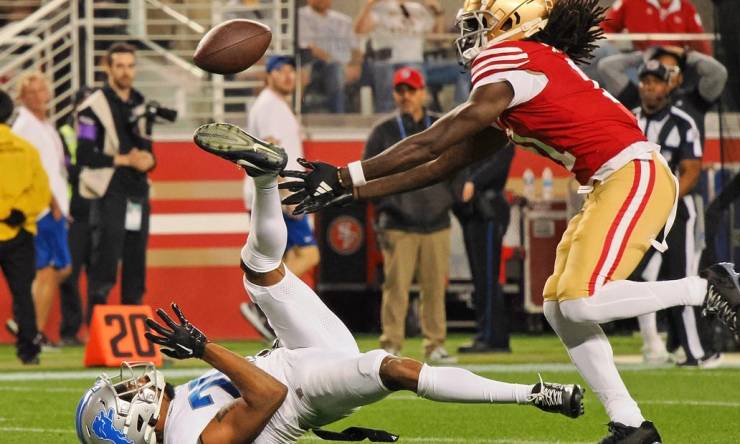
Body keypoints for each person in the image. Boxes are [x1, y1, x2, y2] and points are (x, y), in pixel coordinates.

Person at [273, 1, 740, 442]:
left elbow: (432, 142)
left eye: (480, 24)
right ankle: (630, 423)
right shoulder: (521, 77)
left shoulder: (510, 59)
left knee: (582, 302)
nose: (471, 35)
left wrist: (343, 173)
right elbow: (442, 164)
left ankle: (704, 288)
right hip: (612, 180)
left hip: (633, 173)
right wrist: (350, 192)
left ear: (513, 23)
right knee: (559, 309)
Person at [74, 131, 586, 443]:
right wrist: (204, 346)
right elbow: (269, 395)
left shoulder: (180, 409)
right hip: (301, 389)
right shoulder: (188, 439)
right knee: (389, 366)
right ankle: (533, 394)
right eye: (121, 395)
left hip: (298, 355)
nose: (132, 384)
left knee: (257, 268)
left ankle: (266, 177)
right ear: (128, 425)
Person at [630, 60, 719, 367]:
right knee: (640, 277)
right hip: (641, 210)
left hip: (678, 210)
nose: (649, 87)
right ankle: (653, 344)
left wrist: (664, 199)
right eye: (644, 81)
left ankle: (698, 352)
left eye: (655, 81)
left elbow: (691, 170)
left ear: (668, 85)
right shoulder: (629, 120)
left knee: (681, 278)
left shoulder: (683, 121)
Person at [363, 67, 454, 362]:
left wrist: (449, 197)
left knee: (434, 289)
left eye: (411, 90)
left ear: (423, 92)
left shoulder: (439, 125)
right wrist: (384, 211)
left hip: (437, 220)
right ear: (394, 94)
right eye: (400, 91)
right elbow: (368, 173)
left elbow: (458, 164)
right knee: (396, 289)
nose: (406, 96)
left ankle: (435, 344)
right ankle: (391, 345)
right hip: (398, 222)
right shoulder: (383, 132)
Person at [241, 55, 319, 340]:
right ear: (268, 76)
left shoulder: (273, 105)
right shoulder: (271, 106)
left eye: (290, 71)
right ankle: (258, 302)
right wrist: (287, 192)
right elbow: (272, 150)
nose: (287, 76)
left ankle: (273, 317)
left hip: (275, 193)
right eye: (280, 71)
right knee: (310, 253)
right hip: (279, 194)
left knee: (279, 260)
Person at [76, 42, 156, 322]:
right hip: (109, 190)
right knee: (105, 260)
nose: (126, 72)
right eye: (120, 66)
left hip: (137, 191)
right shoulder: (91, 107)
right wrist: (125, 160)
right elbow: (84, 154)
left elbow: (149, 151)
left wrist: (147, 160)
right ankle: (97, 327)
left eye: (130, 66)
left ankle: (134, 330)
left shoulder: (142, 104)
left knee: (136, 262)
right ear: (107, 68)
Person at [11, 72, 72, 349]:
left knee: (55, 269)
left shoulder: (44, 124)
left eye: (41, 91)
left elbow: (54, 166)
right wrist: (51, 201)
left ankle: (27, 324)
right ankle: (31, 330)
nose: (38, 96)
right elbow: (31, 170)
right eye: (31, 92)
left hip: (54, 205)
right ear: (22, 97)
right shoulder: (24, 127)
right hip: (44, 208)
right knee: (49, 270)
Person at [0, 88, 49, 365]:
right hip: (19, 230)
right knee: (22, 295)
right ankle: (29, 349)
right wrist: (19, 213)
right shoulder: (27, 150)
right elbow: (40, 190)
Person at [454, 144, 515, 354]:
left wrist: (473, 181)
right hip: (474, 210)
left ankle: (492, 337)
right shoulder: (477, 135)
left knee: (487, 278)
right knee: (482, 278)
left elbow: (499, 161)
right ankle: (488, 334)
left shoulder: (501, 136)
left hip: (487, 210)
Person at [598, 45, 728, 141]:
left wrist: (687, 55)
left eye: (671, 70)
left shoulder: (694, 100)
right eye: (659, 70)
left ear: (680, 77)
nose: (665, 75)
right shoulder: (640, 94)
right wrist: (643, 56)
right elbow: (606, 67)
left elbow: (718, 73)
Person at [57, 86, 97, 346]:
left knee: (98, 275)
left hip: (99, 210)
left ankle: (96, 332)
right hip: (75, 212)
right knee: (70, 275)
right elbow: (67, 169)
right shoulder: (64, 133)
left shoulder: (101, 131)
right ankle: (70, 331)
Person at [354, 0, 441, 112]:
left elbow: (436, 38)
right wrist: (368, 5)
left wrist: (438, 12)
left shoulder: (419, 8)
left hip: (413, 60)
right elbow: (359, 30)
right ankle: (385, 124)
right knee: (387, 102)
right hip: (387, 61)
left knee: (416, 99)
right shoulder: (380, 8)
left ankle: (417, 124)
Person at [298, 0, 362, 113]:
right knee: (335, 70)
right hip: (315, 65)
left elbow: (356, 48)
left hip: (345, 66)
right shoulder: (300, 16)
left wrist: (355, 65)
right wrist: (340, 64)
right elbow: (311, 48)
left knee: (376, 68)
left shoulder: (343, 20)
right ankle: (338, 117)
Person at [601, 0, 712, 55]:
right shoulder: (630, 2)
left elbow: (701, 45)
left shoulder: (687, 8)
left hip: (677, 62)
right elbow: (606, 28)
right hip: (639, 60)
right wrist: (618, 45)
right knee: (603, 53)